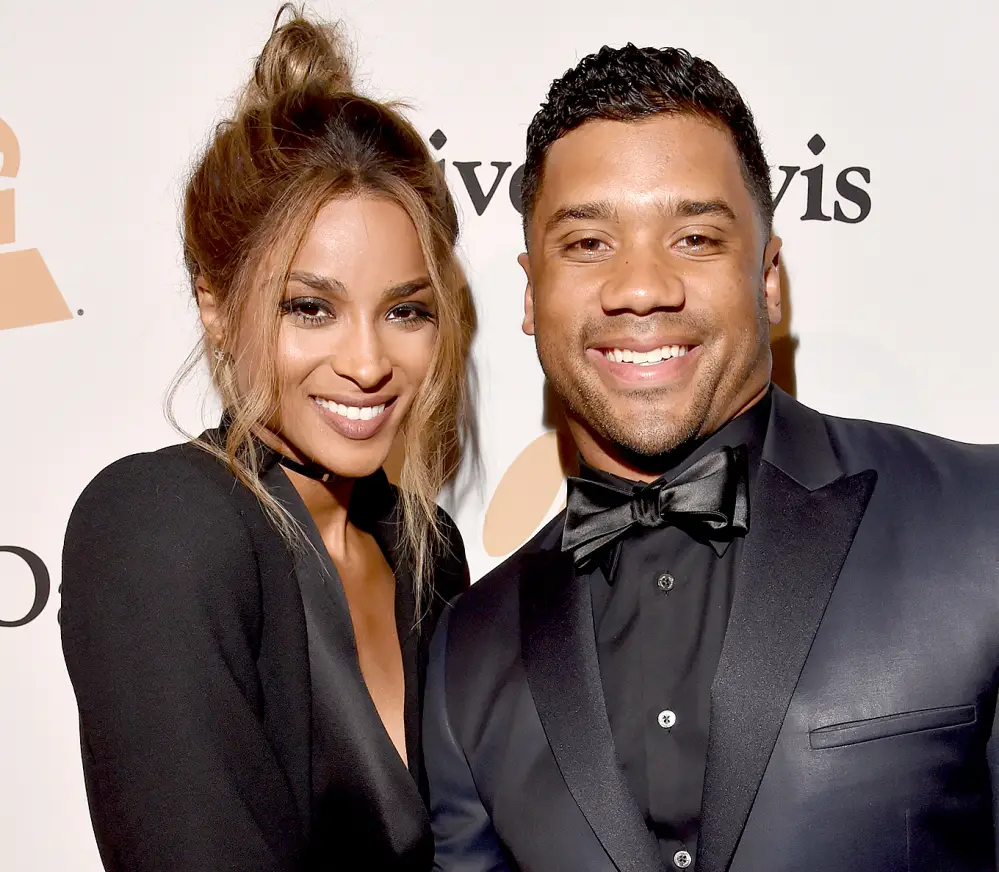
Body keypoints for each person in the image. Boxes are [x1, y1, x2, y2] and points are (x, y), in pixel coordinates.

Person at [424, 42, 999, 872]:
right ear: (529, 292)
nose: (641, 288)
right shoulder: (467, 651)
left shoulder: (978, 521)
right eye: (587, 243)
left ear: (767, 279)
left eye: (693, 238)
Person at [60, 8, 476, 872]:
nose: (367, 363)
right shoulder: (162, 524)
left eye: (405, 310)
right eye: (309, 307)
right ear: (215, 308)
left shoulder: (428, 555)